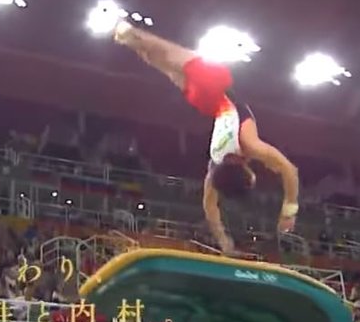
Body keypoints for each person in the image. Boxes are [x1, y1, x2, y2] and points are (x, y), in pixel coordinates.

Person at [113, 22, 299, 253]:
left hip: (213, 85)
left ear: (247, 175)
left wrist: (289, 211)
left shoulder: (249, 144)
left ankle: (129, 32)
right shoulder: (215, 168)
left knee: (166, 50)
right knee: (158, 61)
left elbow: (290, 170)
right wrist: (224, 243)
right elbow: (209, 208)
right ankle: (131, 42)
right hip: (201, 101)